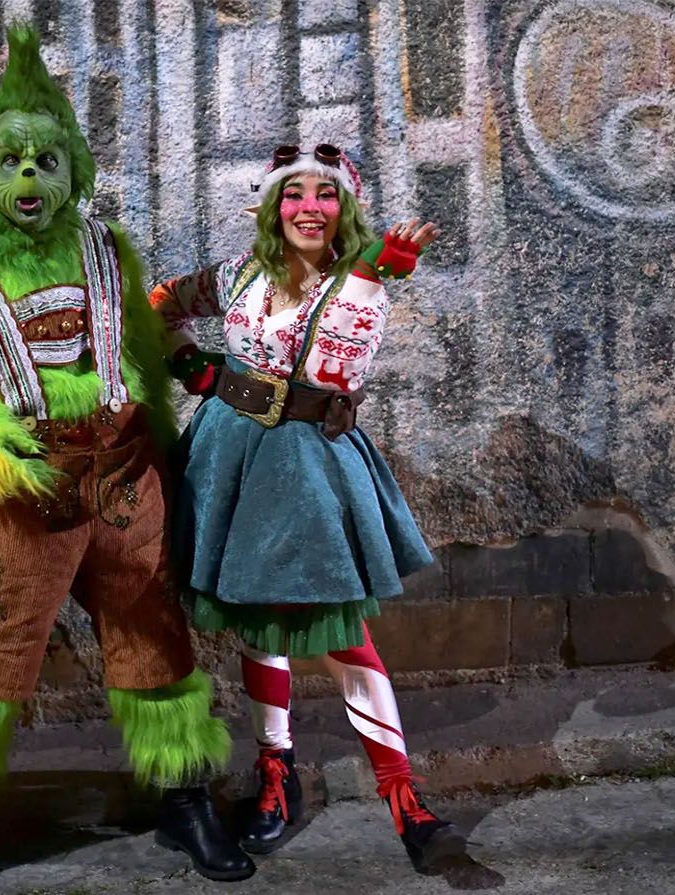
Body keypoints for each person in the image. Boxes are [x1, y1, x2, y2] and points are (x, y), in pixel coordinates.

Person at [0, 24, 253, 886]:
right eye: (13, 162)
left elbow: (135, 347)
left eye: (45, 162)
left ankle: (183, 800)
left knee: (154, 640)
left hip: (122, 475)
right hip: (17, 485)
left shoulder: (106, 250)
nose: (29, 179)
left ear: (73, 172)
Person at [148, 143, 466, 871]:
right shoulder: (236, 274)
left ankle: (403, 796)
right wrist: (193, 367)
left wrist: (367, 273)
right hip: (231, 455)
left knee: (343, 633)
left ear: (344, 208)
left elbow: (333, 368)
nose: (310, 209)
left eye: (327, 196)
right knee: (259, 618)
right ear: (272, 206)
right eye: (295, 196)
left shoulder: (364, 282)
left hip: (311, 463)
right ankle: (275, 770)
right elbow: (161, 302)